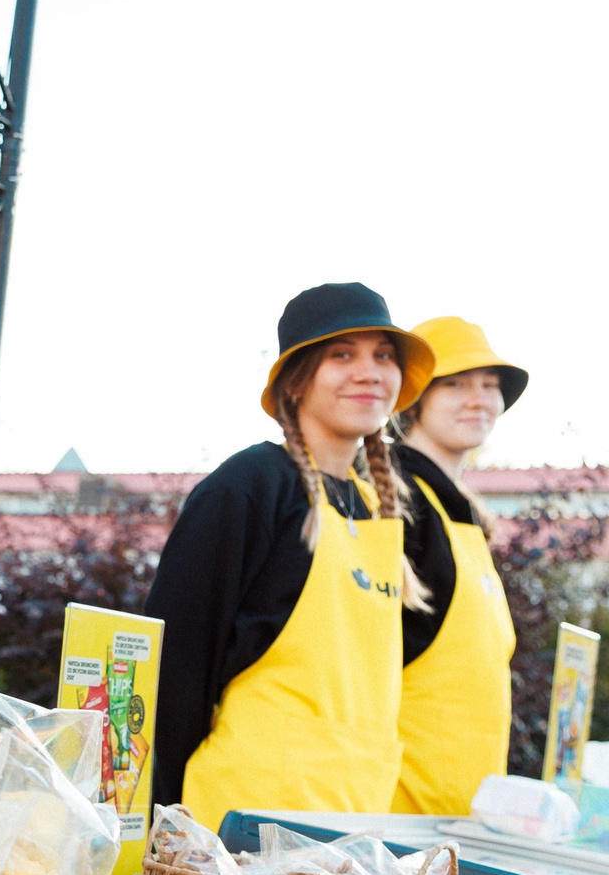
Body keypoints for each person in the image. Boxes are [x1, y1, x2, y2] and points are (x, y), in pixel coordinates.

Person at [146, 285, 433, 820]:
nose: (369, 372)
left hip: (352, 816)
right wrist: (163, 820)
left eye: (383, 355)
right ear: (297, 380)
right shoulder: (250, 486)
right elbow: (177, 666)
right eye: (342, 354)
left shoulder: (377, 507)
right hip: (245, 820)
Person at [390, 317, 526, 815]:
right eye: (455, 384)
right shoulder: (398, 503)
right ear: (413, 399)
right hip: (393, 822)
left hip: (460, 824)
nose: (479, 399)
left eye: (489, 385)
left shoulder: (464, 519)